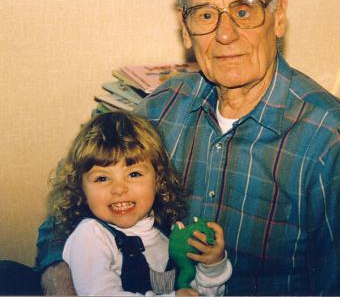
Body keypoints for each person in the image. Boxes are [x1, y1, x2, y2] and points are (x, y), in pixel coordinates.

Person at [35, 0, 340, 295]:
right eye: (205, 15)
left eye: (244, 11)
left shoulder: (333, 138)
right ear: (185, 29)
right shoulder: (162, 108)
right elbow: (67, 213)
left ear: (278, 16)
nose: (225, 33)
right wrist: (62, 282)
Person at [44, 111, 232, 296]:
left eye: (134, 174)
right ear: (81, 188)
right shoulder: (91, 236)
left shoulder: (165, 237)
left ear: (158, 179)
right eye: (102, 178)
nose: (119, 189)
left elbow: (195, 292)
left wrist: (212, 266)